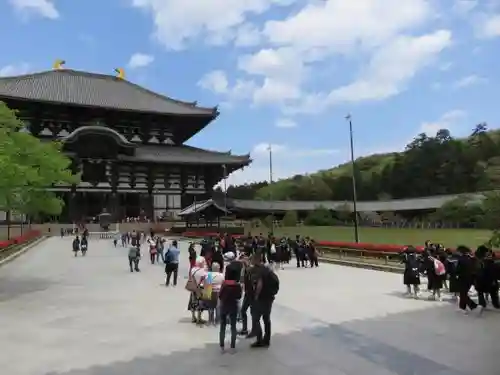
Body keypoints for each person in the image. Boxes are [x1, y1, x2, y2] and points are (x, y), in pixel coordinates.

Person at [250, 252, 279, 348]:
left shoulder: (259, 271)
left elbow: (259, 284)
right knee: (266, 319)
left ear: (256, 260)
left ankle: (259, 340)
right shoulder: (267, 269)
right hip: (269, 298)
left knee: (256, 318)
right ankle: (267, 339)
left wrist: (256, 296)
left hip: (261, 298)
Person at [219, 266, 243, 353]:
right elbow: (239, 297)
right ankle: (232, 346)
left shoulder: (224, 284)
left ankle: (222, 346)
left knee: (223, 326)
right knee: (233, 326)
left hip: (224, 306)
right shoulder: (237, 285)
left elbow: (220, 296)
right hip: (233, 306)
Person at [188, 256, 208, 324]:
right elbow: (207, 280)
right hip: (201, 288)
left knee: (192, 303)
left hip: (193, 288)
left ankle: (193, 317)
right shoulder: (204, 271)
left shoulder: (193, 269)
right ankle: (199, 318)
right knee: (200, 303)